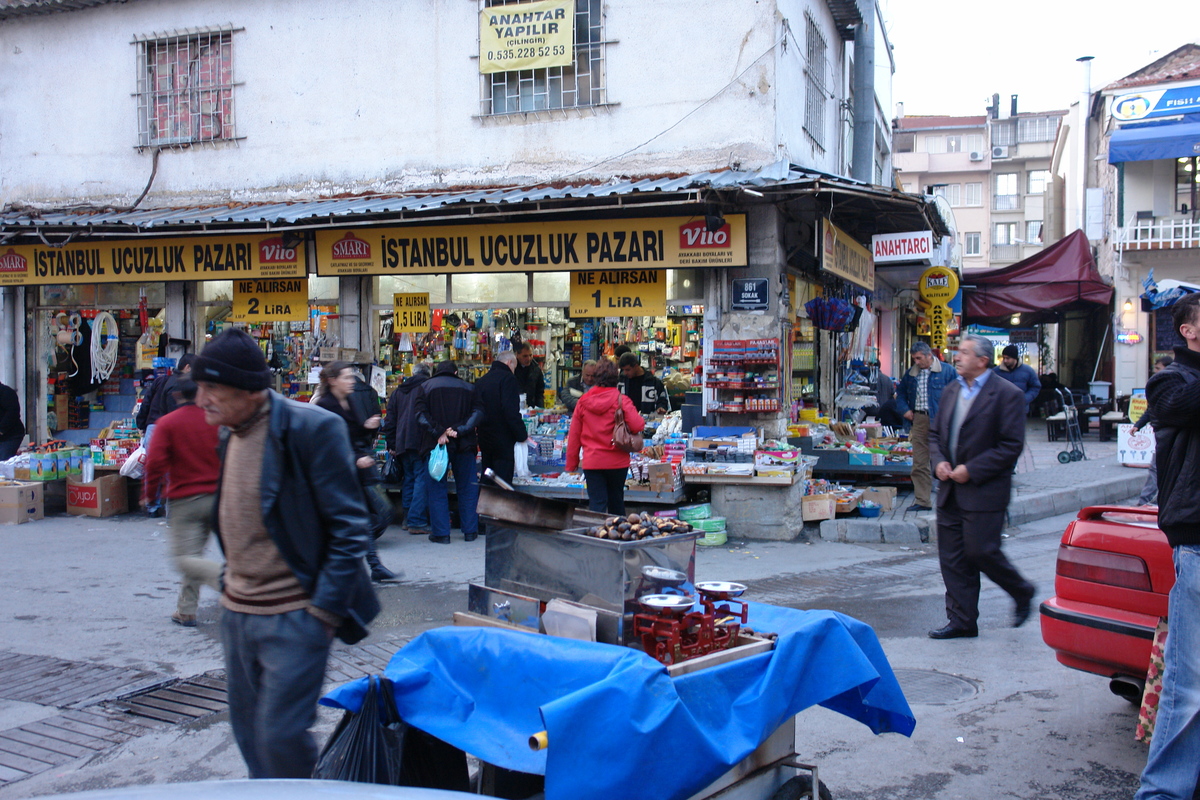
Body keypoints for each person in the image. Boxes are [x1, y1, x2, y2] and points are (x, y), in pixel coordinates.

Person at [192, 328, 379, 779]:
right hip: (238, 614)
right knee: (249, 737)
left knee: (280, 737)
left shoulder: (311, 428)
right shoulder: (229, 433)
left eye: (212, 387)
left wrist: (322, 614)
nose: (201, 400)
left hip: (296, 615)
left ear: (249, 390)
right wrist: (226, 586)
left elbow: (350, 527)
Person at [927, 334, 1036, 640]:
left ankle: (1022, 590)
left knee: (981, 551)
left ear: (982, 360)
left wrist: (971, 470)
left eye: (963, 353)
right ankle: (962, 620)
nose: (957, 357)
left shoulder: (1007, 394)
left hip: (984, 491)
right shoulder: (950, 391)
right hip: (949, 489)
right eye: (957, 352)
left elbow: (1011, 445)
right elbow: (934, 435)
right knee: (952, 558)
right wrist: (938, 463)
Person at [1135, 294, 1200, 800]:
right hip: (1197, 543)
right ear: (1188, 332)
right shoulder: (1170, 382)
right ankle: (1163, 792)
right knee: (1189, 683)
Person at [140, 378, 223, 628]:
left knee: (183, 558)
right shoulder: (215, 420)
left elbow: (154, 464)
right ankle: (185, 610)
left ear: (176, 397)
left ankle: (227, 582)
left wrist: (151, 495)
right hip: (219, 497)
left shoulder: (168, 423)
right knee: (194, 555)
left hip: (185, 499)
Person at [315, 361, 399, 582]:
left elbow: (353, 431)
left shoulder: (348, 400)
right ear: (333, 381)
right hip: (339, 472)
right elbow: (328, 443)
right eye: (346, 377)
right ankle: (367, 563)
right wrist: (354, 459)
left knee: (373, 514)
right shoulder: (325, 405)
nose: (351, 381)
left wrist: (368, 426)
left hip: (357, 470)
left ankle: (371, 564)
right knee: (356, 517)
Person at [413, 360, 484, 544]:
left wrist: (439, 432)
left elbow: (420, 414)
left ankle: (441, 533)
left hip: (436, 445)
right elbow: (477, 413)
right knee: (468, 488)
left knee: (437, 488)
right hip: (464, 444)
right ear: (455, 372)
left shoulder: (425, 387)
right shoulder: (469, 388)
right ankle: (470, 530)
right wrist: (459, 430)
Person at [565, 358, 645, 516]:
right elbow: (638, 425)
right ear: (616, 378)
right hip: (617, 462)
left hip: (592, 461)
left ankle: (596, 538)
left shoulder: (582, 402)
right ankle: (618, 537)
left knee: (597, 503)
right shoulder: (622, 401)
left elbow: (574, 436)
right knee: (616, 502)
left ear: (595, 377)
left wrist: (571, 465)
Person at [894, 342, 954, 512]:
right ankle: (923, 500)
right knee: (920, 462)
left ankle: (950, 500)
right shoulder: (911, 374)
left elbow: (959, 393)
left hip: (941, 421)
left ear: (929, 356)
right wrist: (904, 410)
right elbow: (900, 394)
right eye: (914, 358)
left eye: (919, 358)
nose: (916, 362)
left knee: (945, 460)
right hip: (919, 419)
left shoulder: (947, 371)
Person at [382, 363, 432, 535]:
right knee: (421, 479)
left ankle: (407, 518)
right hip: (421, 441)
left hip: (402, 441)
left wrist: (392, 444)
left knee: (409, 479)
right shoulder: (427, 388)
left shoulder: (398, 392)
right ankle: (416, 521)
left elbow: (390, 420)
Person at [474, 350, 529, 487]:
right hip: (503, 440)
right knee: (502, 482)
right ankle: (500, 508)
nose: (514, 371)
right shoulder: (508, 379)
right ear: (509, 362)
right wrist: (521, 434)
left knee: (487, 476)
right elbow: (510, 411)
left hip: (485, 438)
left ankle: (484, 507)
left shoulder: (482, 381)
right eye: (514, 367)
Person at [1133, 356, 1173, 506]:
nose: (1154, 371)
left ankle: (1146, 502)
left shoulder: (1170, 383)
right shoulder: (1160, 384)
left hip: (1167, 432)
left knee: (1157, 468)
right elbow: (1151, 409)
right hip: (1162, 431)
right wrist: (1139, 424)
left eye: (1157, 368)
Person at [992, 345, 1041, 414]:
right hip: (1001, 410)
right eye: (1004, 358)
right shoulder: (996, 372)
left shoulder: (1028, 371)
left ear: (1015, 358)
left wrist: (1025, 399)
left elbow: (1035, 387)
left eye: (1008, 358)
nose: (1005, 360)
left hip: (1020, 410)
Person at [513, 342, 545, 409]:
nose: (528, 359)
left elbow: (539, 392)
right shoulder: (512, 369)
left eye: (530, 355)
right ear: (517, 355)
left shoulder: (536, 368)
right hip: (515, 407)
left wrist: (540, 409)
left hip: (532, 407)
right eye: (525, 356)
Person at [0, 380, 24, 461]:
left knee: (4, 463)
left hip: (11, 435)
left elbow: (13, 412)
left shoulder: (5, 392)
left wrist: (1, 430)